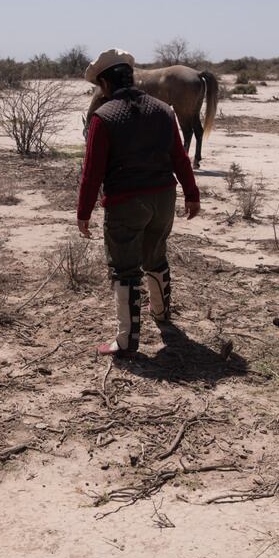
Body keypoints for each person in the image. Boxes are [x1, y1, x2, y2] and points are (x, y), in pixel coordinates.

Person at [77, 49, 200, 356]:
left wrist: (83, 211)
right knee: (156, 258)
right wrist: (192, 194)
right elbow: (180, 158)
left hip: (125, 201)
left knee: (124, 269)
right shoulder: (162, 109)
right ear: (130, 77)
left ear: (105, 83)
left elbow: (92, 171)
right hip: (163, 198)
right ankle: (162, 316)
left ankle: (126, 339)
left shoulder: (103, 117)